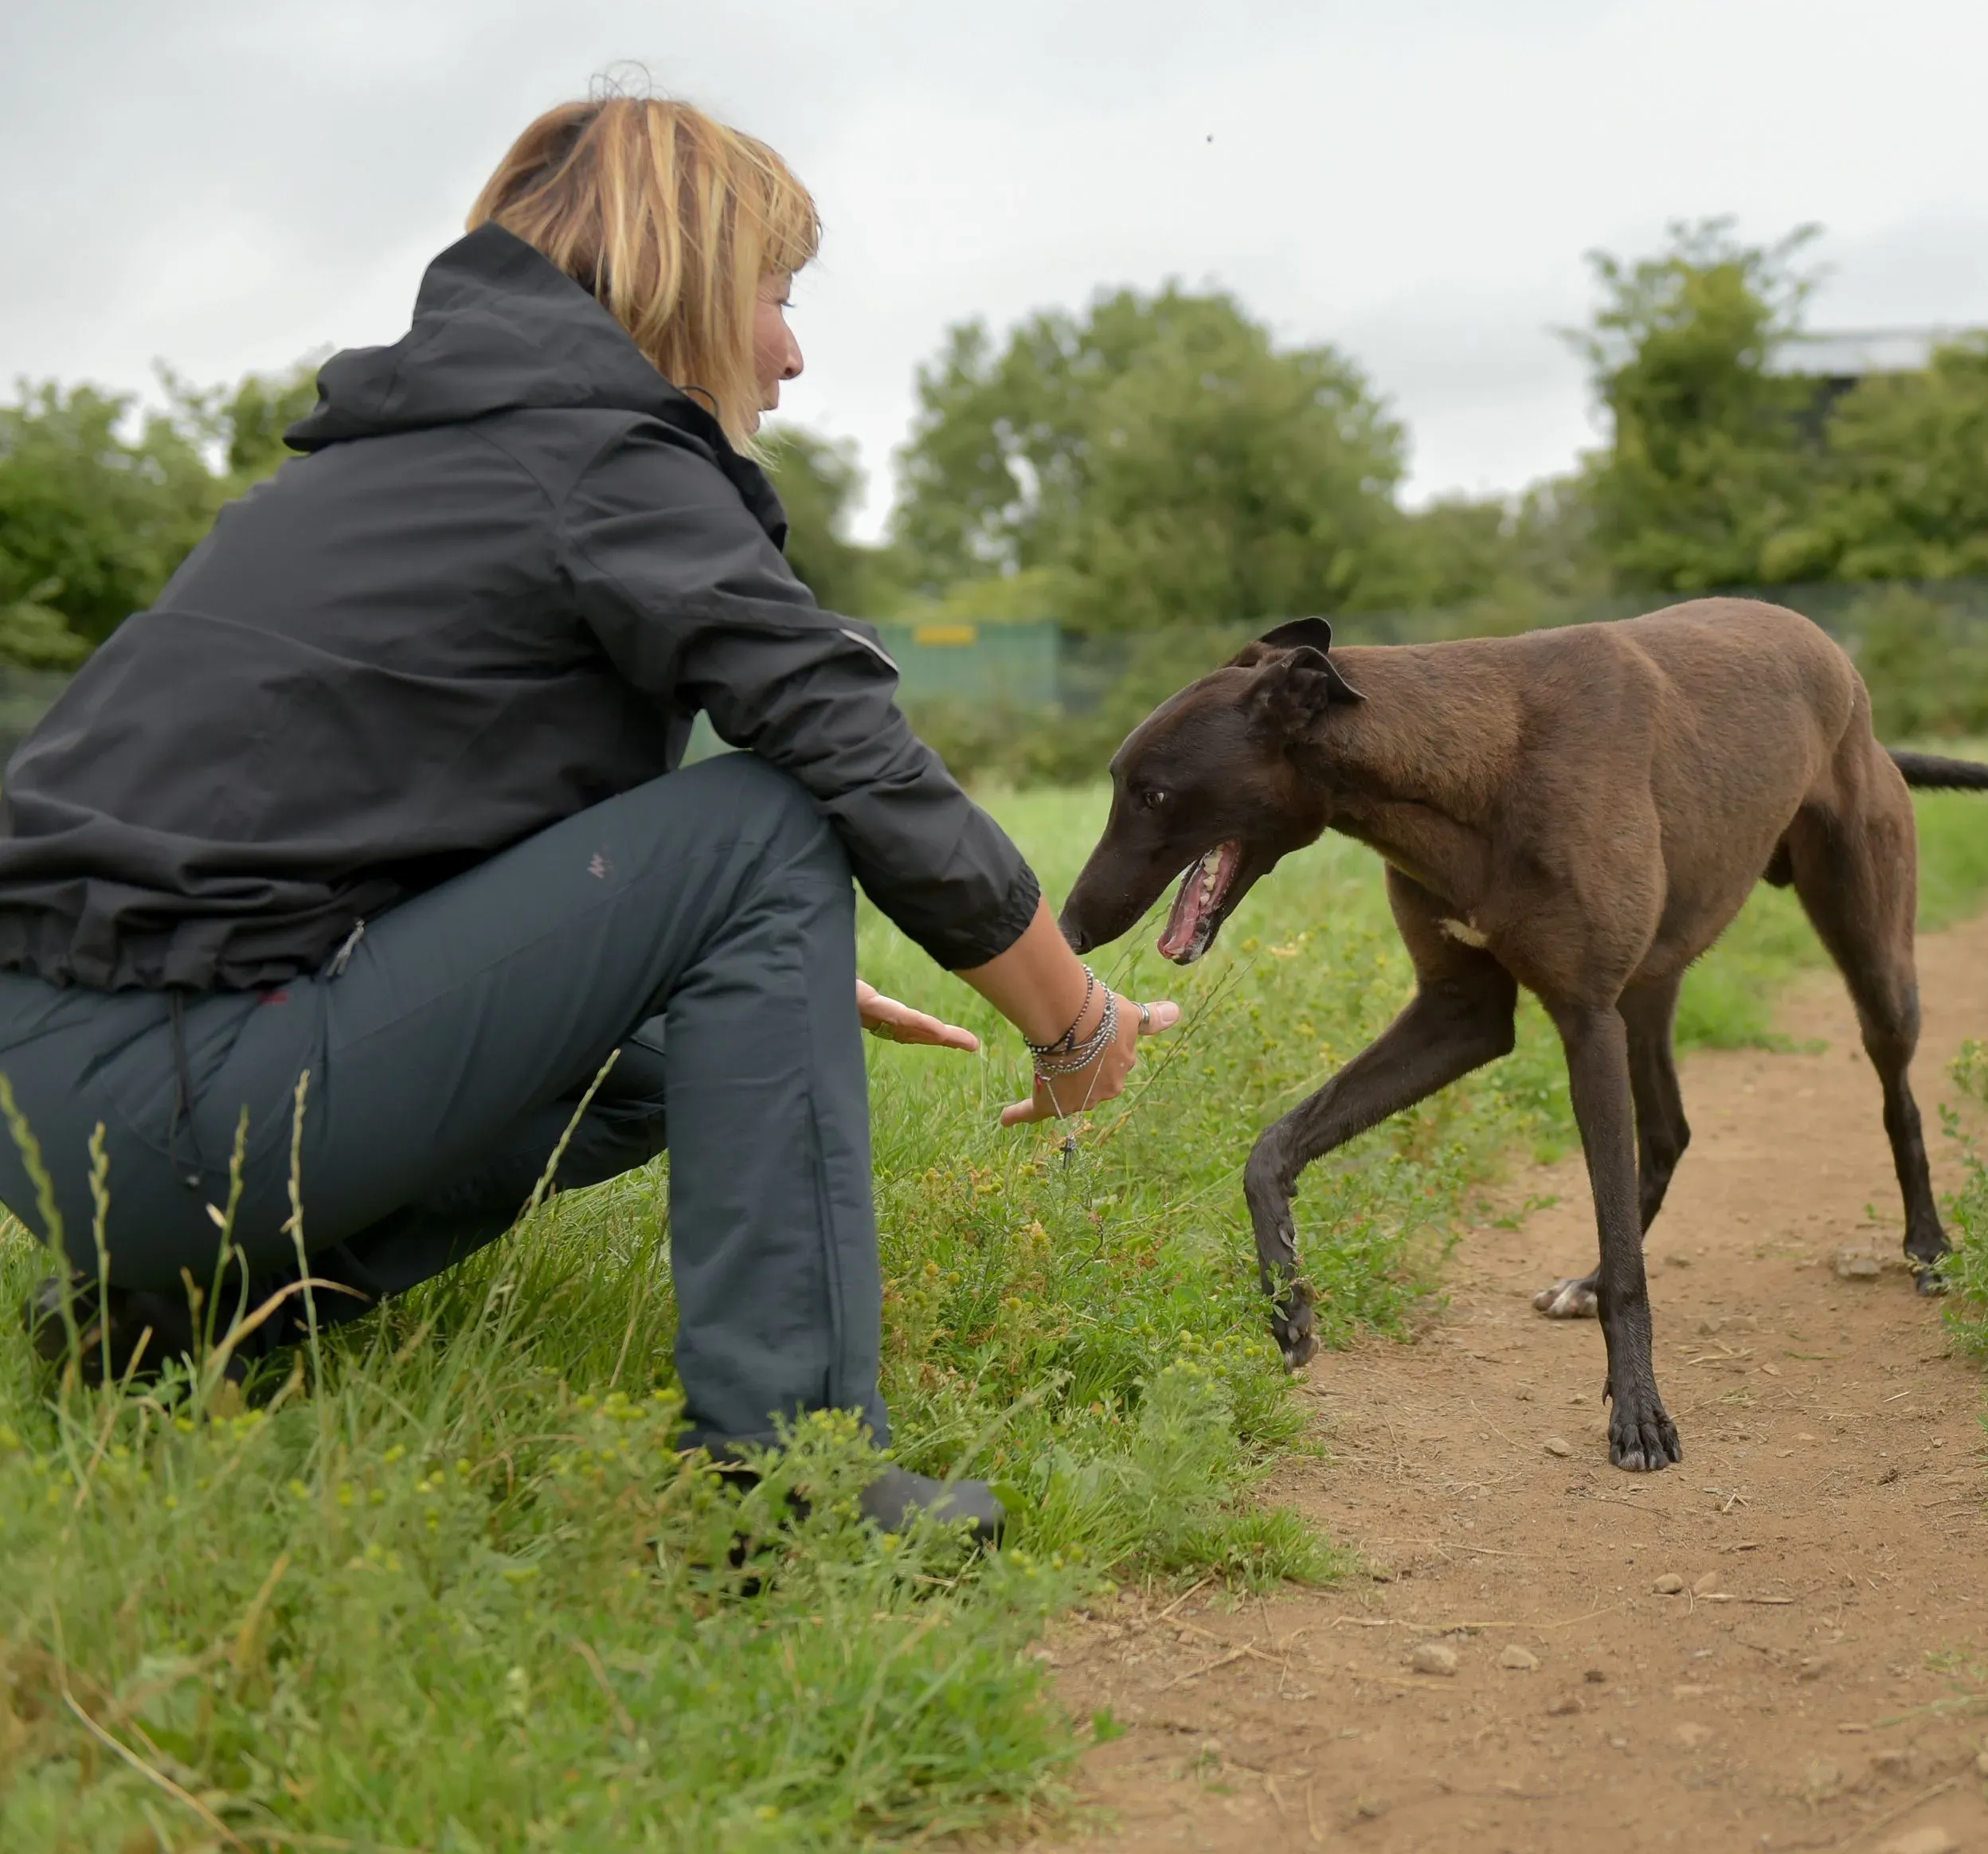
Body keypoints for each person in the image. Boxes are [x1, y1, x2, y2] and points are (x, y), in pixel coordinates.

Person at [0, 94, 1175, 1543]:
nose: (792, 348)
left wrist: (731, 965)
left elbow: (400, 820)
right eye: (777, 295)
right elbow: (842, 744)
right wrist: (1076, 1024)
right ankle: (788, 1481)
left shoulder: (409, 454)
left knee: (667, 1054)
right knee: (760, 819)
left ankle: (169, 1316)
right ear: (685, 278)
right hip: (179, 1092)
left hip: (53, 1096)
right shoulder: (599, 457)